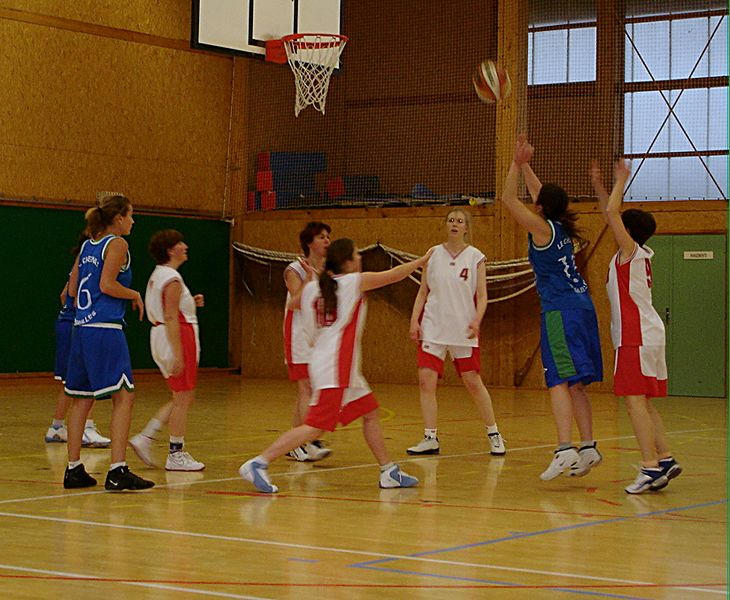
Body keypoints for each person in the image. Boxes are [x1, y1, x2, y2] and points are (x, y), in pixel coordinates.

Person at [239, 238, 432, 493]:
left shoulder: (313, 289)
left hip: (334, 365)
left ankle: (388, 471)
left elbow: (296, 309)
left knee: (370, 413)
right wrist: (423, 260)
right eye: (356, 255)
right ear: (348, 262)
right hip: (336, 368)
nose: (360, 258)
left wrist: (314, 280)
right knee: (314, 428)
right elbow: (394, 275)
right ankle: (259, 463)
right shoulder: (352, 283)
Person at [500, 134, 603, 481]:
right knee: (575, 384)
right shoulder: (558, 226)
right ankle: (588, 447)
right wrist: (527, 165)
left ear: (540, 208)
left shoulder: (541, 229)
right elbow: (538, 194)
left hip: (561, 311)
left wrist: (515, 164)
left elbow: (508, 199)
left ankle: (564, 449)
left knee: (558, 379)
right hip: (583, 307)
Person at [592, 159, 682, 494]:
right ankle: (665, 457)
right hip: (649, 334)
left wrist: (621, 180)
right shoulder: (637, 253)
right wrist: (599, 186)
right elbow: (609, 214)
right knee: (643, 401)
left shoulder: (629, 252)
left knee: (633, 402)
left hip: (636, 336)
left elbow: (612, 213)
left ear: (627, 232)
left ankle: (649, 467)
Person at [62, 194, 154, 491]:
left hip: (81, 328)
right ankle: (117, 469)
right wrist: (134, 294)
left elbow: (71, 290)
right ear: (118, 218)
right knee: (124, 396)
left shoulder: (87, 245)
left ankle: (73, 469)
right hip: (104, 328)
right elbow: (107, 285)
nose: (133, 221)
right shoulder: (117, 244)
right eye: (130, 215)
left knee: (81, 399)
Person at [406, 208, 505, 457]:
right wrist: (414, 320)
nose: (454, 224)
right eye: (451, 220)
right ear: (445, 224)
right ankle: (430, 437)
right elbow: (422, 292)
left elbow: (482, 296)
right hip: (433, 327)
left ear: (466, 228)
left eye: (460, 221)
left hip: (463, 329)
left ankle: (494, 433)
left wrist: (476, 320)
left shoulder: (476, 257)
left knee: (472, 382)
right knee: (426, 380)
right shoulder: (432, 254)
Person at [129, 230, 206, 471]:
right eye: (180, 243)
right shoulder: (172, 278)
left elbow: (169, 308)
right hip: (177, 336)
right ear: (171, 250)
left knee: (182, 396)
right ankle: (175, 453)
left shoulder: (160, 274)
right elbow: (171, 315)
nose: (185, 246)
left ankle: (146, 437)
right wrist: (178, 353)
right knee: (183, 398)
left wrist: (190, 302)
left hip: (162, 334)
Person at [45, 233, 111, 448]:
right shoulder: (90, 264)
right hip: (78, 325)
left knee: (72, 380)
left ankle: (57, 427)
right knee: (83, 379)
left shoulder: (82, 264)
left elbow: (64, 295)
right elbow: (70, 293)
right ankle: (85, 428)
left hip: (68, 322)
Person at [283, 222, 332, 462]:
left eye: (328, 236)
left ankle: (295, 442)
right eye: (321, 237)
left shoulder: (329, 270)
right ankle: (310, 441)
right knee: (307, 388)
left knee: (313, 388)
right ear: (309, 242)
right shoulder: (295, 269)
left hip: (318, 335)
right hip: (298, 335)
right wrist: (310, 280)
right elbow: (294, 303)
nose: (327, 241)